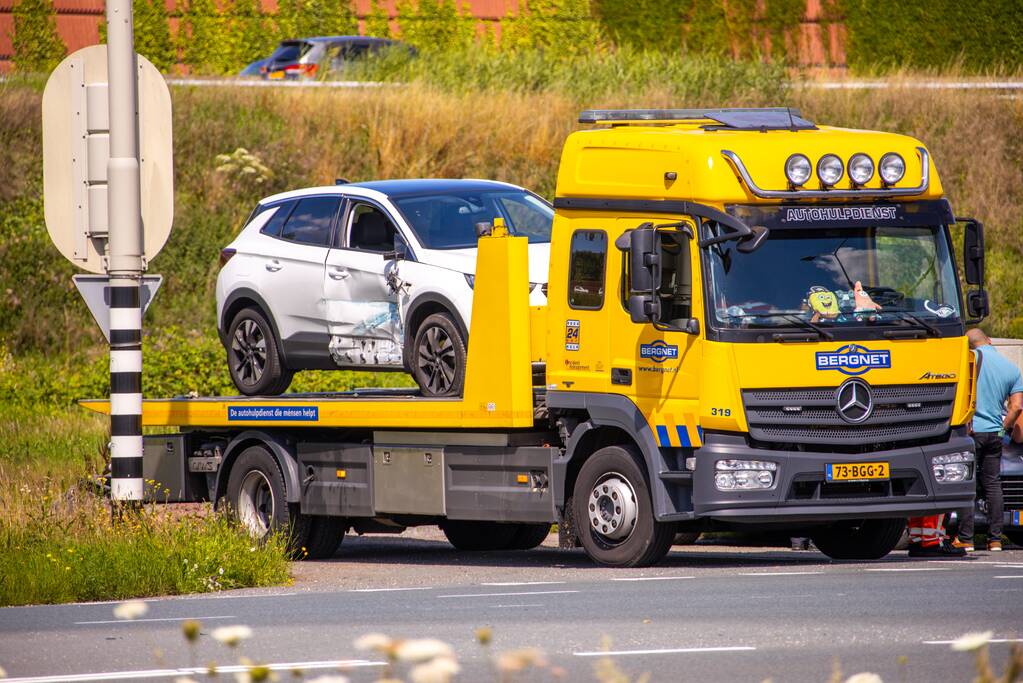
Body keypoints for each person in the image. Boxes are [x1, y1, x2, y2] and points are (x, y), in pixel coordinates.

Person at [954, 329, 1023, 552]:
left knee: (968, 483)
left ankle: (966, 538)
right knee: (993, 484)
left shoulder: (969, 363)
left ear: (969, 346)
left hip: (972, 432)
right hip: (996, 434)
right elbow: (1016, 407)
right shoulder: (1011, 369)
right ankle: (994, 539)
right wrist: (1003, 429)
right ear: (990, 341)